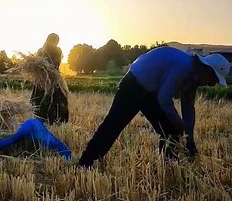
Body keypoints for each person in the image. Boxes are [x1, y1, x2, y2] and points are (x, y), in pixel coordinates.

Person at [78, 46, 230, 167]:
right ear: (206, 70)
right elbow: (164, 98)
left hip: (151, 92)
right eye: (213, 79)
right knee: (113, 125)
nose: (211, 84)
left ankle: (170, 166)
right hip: (133, 85)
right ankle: (86, 162)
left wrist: (189, 140)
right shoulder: (182, 66)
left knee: (170, 130)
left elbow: (188, 110)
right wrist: (177, 121)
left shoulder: (194, 78)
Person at [30, 33, 69, 124]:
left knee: (39, 101)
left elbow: (36, 65)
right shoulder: (57, 50)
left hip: (41, 80)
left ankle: (40, 121)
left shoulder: (40, 51)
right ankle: (57, 122)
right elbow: (56, 65)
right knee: (58, 100)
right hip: (53, 79)